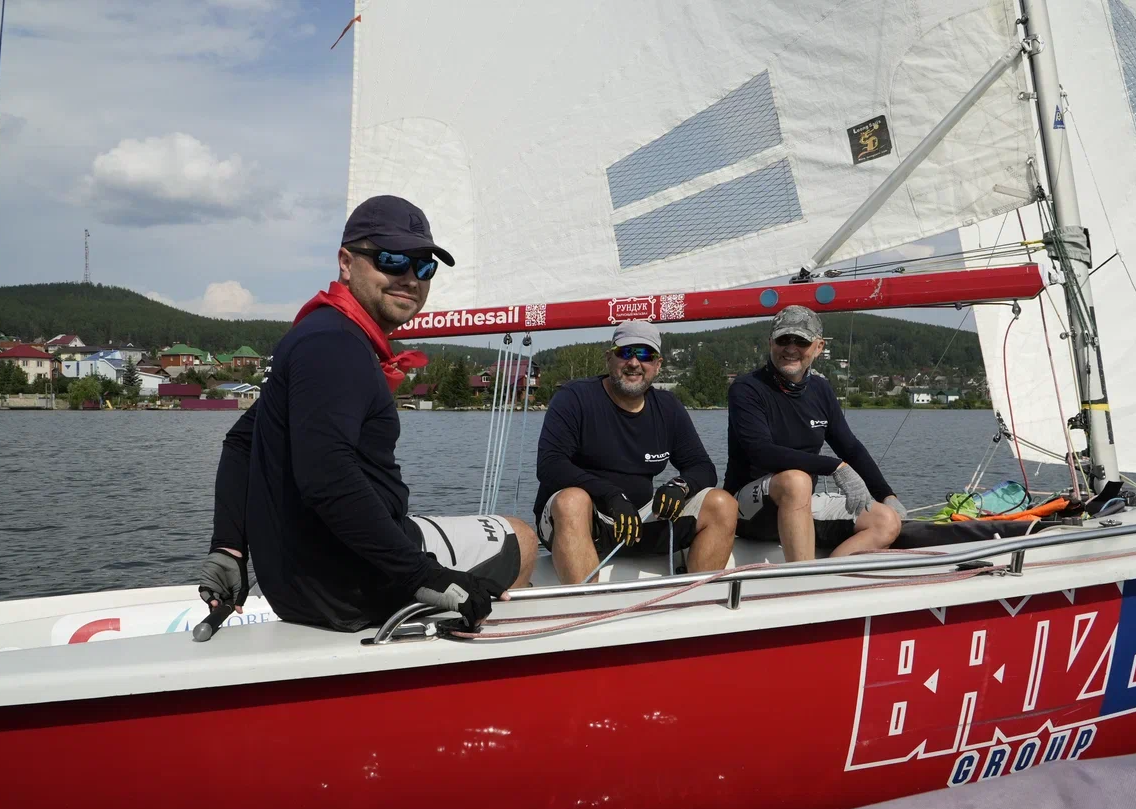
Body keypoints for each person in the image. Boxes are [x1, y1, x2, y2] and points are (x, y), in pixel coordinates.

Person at [198, 195, 536, 631]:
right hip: (353, 584)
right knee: (520, 537)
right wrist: (422, 575)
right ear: (346, 263)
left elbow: (242, 442)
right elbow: (327, 475)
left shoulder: (321, 334)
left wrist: (229, 547)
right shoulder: (337, 345)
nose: (409, 278)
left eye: (424, 267)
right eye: (391, 260)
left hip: (305, 580)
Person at [534, 320, 738, 584]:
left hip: (637, 519)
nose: (634, 363)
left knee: (722, 503)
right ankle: (585, 603)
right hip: (583, 519)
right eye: (625, 353)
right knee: (572, 500)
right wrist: (609, 495)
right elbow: (550, 465)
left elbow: (702, 467)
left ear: (658, 364)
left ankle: (694, 598)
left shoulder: (667, 407)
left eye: (645, 355)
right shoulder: (574, 397)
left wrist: (680, 486)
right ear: (609, 358)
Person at [724, 306, 905, 562]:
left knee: (886, 521)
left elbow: (850, 448)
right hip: (748, 509)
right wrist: (835, 467)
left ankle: (828, 576)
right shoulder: (747, 388)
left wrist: (887, 495)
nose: (791, 348)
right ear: (770, 342)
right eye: (783, 340)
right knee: (796, 480)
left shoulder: (821, 389)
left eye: (801, 341)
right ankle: (801, 577)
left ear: (819, 347)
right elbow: (761, 451)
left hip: (801, 501)